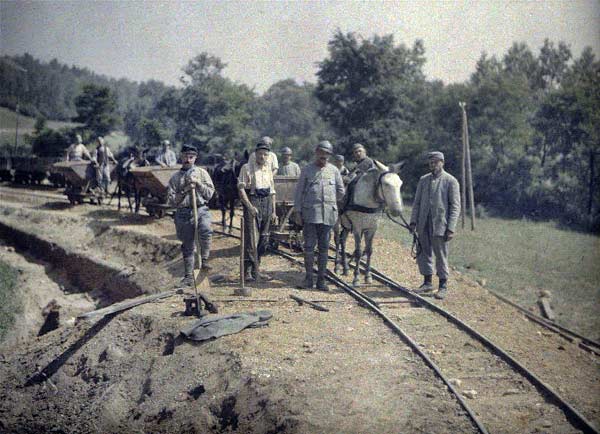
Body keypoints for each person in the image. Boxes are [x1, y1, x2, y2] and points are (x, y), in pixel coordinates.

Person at [293, 141, 345, 291]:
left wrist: (331, 202)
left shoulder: (334, 171)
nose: (324, 156)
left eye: (327, 154)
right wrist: (297, 212)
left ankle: (321, 280)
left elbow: (341, 191)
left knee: (324, 248)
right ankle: (308, 279)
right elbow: (298, 193)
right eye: (322, 152)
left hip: (328, 215)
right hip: (310, 214)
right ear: (316, 152)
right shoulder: (307, 170)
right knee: (309, 247)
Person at [409, 151, 460, 300]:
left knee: (441, 255)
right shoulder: (423, 180)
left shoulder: (451, 181)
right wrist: (413, 221)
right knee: (423, 253)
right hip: (423, 223)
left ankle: (443, 285)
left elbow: (455, 207)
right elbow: (417, 203)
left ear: (442, 163)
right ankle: (427, 282)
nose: (433, 165)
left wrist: (451, 228)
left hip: (441, 225)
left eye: (436, 162)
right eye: (431, 163)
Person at [167, 145, 215, 287]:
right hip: (183, 213)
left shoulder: (202, 173)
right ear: (181, 157)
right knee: (187, 244)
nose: (188, 160)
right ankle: (188, 276)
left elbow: (210, 194)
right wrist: (186, 189)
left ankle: (205, 261)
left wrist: (198, 184)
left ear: (195, 158)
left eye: (191, 157)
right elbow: (172, 200)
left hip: (201, 210)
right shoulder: (175, 178)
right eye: (185, 157)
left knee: (206, 230)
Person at [237, 138, 277, 281]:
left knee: (264, 239)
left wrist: (273, 211)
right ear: (255, 154)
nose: (262, 157)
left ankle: (256, 269)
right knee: (251, 239)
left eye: (265, 155)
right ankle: (247, 271)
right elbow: (241, 190)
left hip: (266, 203)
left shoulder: (268, 170)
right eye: (260, 154)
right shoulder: (246, 168)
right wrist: (249, 207)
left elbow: (272, 191)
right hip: (253, 201)